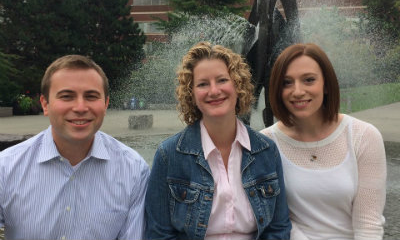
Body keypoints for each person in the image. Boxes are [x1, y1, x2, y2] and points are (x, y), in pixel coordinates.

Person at [145, 42, 291, 240]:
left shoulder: (266, 151)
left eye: (222, 80)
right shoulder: (169, 155)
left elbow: (278, 228)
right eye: (203, 84)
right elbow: (158, 234)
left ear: (237, 85)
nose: (214, 91)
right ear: (192, 94)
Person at [0, 55, 150, 239]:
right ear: (45, 104)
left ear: (105, 104)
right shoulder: (6, 168)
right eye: (67, 96)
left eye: (91, 96)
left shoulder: (134, 171)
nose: (80, 107)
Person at [260, 43, 387, 240]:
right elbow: (273, 221)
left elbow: (368, 224)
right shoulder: (266, 144)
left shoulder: (364, 136)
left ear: (326, 84)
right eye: (287, 82)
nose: (298, 91)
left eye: (309, 80)